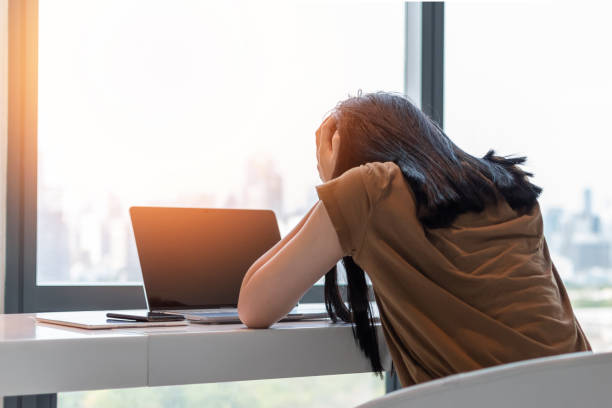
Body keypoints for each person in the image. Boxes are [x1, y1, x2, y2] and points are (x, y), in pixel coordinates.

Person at [237, 91, 591, 387]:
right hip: (584, 390)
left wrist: (334, 186)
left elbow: (254, 307)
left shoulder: (372, 189)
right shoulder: (507, 186)